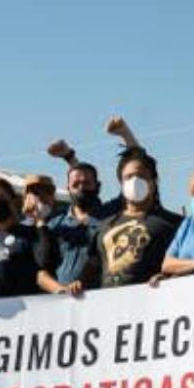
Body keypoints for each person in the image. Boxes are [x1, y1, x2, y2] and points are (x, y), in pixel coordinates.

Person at [40, 116, 144, 293]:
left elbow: (138, 173)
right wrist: (60, 290)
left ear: (98, 187)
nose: (81, 188)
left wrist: (125, 134)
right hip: (62, 304)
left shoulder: (112, 214)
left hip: (103, 298)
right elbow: (41, 269)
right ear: (67, 188)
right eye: (75, 185)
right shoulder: (55, 225)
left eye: (87, 184)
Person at [80, 147, 182, 289]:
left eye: (141, 176)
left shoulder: (174, 223)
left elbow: (184, 266)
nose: (135, 181)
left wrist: (170, 278)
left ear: (154, 181)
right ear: (121, 184)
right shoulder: (104, 226)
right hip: (109, 305)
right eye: (128, 177)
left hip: (153, 305)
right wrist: (78, 285)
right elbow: (92, 270)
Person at [0, 176, 48, 299]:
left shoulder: (27, 233)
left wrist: (39, 221)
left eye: (0, 198)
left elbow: (43, 263)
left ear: (13, 201)